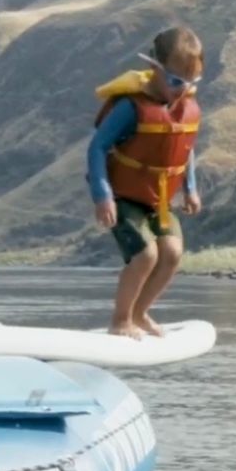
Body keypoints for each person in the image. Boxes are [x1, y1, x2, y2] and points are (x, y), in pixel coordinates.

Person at [87, 26, 204, 339]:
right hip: (124, 197)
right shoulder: (130, 108)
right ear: (155, 69)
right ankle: (120, 320)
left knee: (172, 253)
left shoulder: (185, 108)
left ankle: (140, 313)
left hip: (160, 199)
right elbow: (97, 147)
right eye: (176, 81)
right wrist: (102, 196)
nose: (183, 90)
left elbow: (186, 148)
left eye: (191, 83)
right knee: (146, 255)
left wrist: (191, 189)